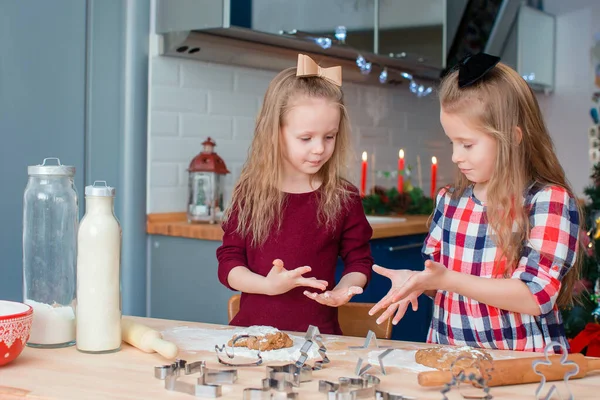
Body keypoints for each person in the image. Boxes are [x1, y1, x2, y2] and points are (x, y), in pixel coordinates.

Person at [369, 53, 581, 352]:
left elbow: (534, 296)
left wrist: (449, 280)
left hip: (524, 367)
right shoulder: (450, 201)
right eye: (452, 142)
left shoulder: (548, 202)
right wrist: (418, 281)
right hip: (450, 359)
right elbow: (442, 281)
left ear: (513, 137)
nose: (456, 156)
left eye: (467, 144)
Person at [216, 54, 373, 335]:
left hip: (319, 339)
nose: (319, 149)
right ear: (275, 133)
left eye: (329, 136)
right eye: (306, 138)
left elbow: (359, 261)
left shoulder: (343, 196)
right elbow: (229, 264)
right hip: (251, 338)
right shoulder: (250, 192)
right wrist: (267, 286)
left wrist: (344, 289)